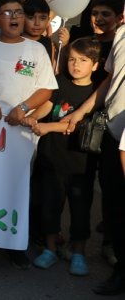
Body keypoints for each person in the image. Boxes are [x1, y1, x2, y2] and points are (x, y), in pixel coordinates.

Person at [0, 0, 58, 268]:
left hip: (21, 135)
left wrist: (22, 107)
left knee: (18, 189)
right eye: (7, 13)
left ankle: (13, 244)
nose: (15, 17)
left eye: (18, 12)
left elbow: (46, 88)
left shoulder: (37, 51)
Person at [21, 38, 99, 277]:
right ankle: (50, 248)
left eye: (83, 61)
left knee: (80, 209)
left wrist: (48, 127)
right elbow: (47, 105)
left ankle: (78, 253)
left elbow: (77, 124)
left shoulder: (95, 94)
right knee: (50, 206)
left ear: (95, 65)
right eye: (72, 59)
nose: (76, 65)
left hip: (79, 163)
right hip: (51, 157)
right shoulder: (60, 82)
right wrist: (33, 117)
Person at [63, 23, 125, 295]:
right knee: (114, 204)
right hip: (115, 132)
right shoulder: (122, 33)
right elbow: (111, 80)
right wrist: (81, 111)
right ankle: (121, 270)